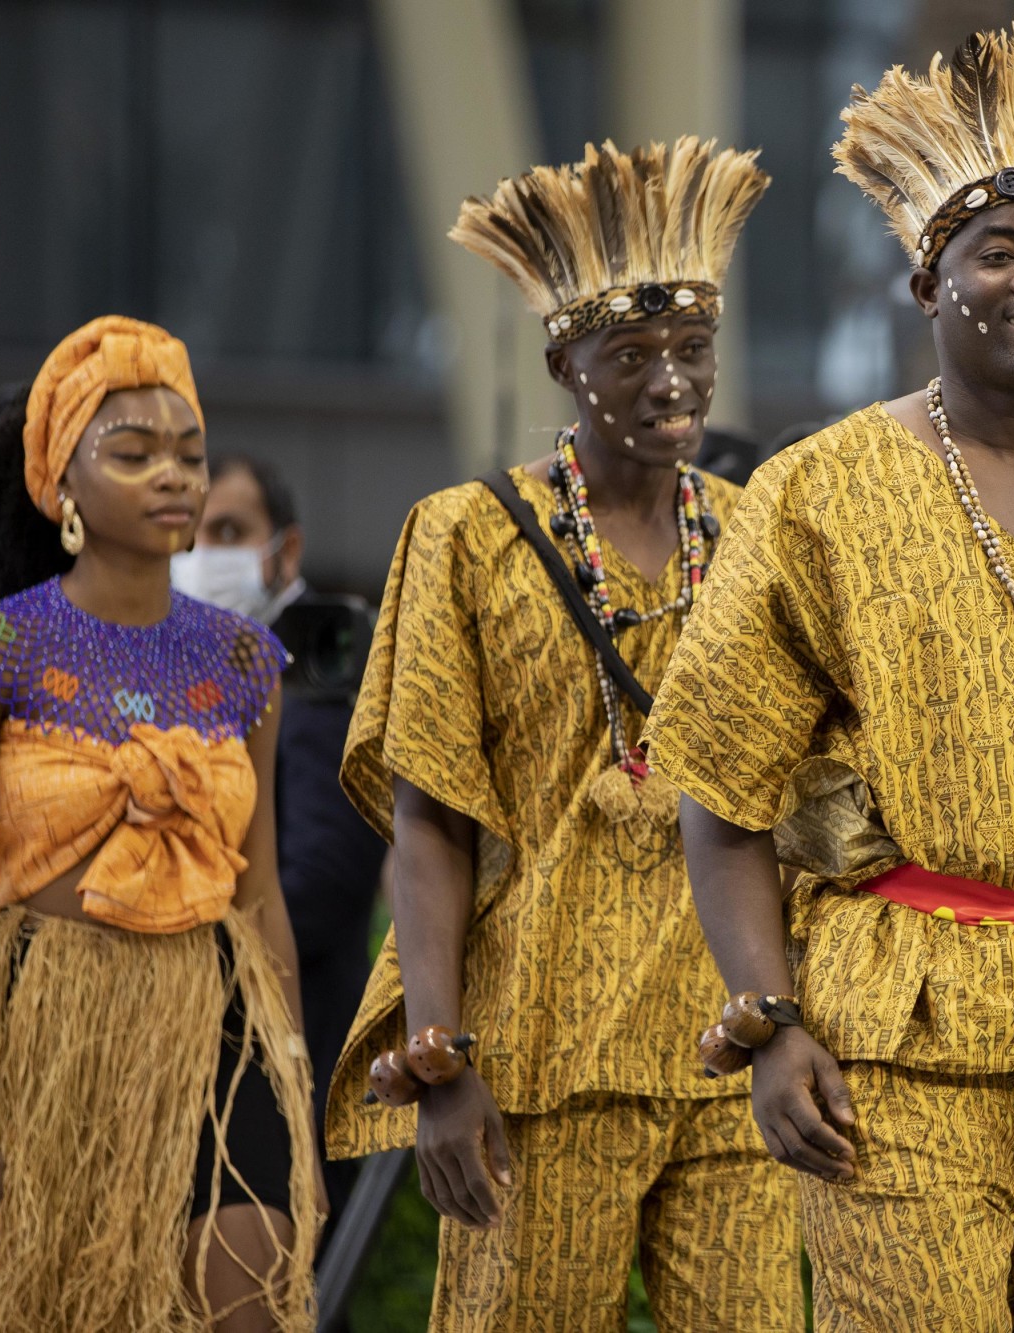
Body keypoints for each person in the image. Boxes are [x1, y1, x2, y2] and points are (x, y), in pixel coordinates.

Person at [643, 25, 1014, 1329]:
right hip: (895, 1030)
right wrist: (769, 1023)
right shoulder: (816, 490)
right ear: (926, 286)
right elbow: (720, 786)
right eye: (997, 250)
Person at [320, 137, 800, 1332]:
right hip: (542, 1042)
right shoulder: (466, 534)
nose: (669, 380)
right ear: (560, 360)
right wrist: (440, 1060)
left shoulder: (756, 535)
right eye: (628, 354)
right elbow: (430, 818)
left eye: (691, 349)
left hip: (729, 1037)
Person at [0, 316, 320, 1330]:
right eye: (132, 452)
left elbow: (259, 890)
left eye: (188, 454)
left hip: (220, 1015)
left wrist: (293, 1079)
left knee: (244, 1302)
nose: (172, 474)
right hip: (51, 1020)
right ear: (62, 483)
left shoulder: (246, 660)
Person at [176, 455, 385, 1225]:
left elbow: (325, 881)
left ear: (284, 552)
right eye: (189, 535)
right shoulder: (178, 664)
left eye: (228, 532)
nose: (201, 558)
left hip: (293, 1037)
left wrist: (176, 922)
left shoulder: (317, 676)